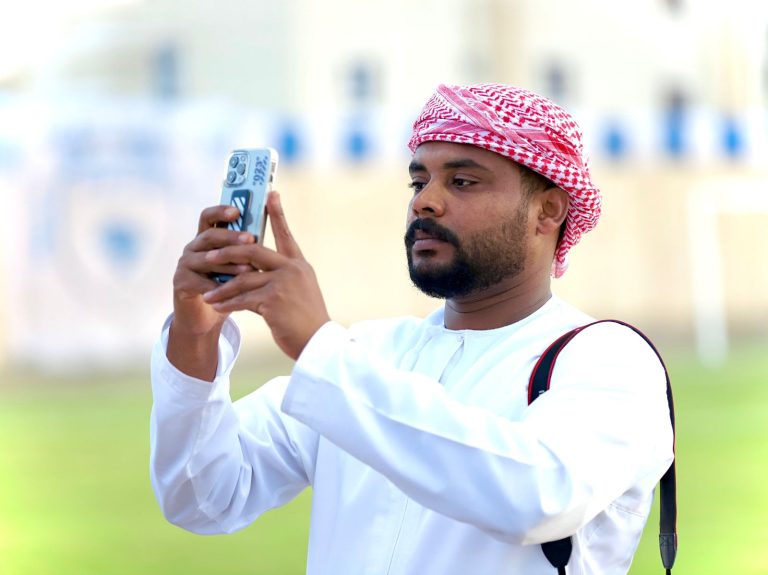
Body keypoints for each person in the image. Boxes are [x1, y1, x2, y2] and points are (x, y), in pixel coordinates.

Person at [150, 83, 674, 575]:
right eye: (419, 181)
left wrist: (316, 345)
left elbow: (539, 498)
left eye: (462, 181)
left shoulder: (606, 359)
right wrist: (196, 337)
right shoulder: (370, 354)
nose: (425, 201)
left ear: (547, 210)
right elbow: (202, 497)